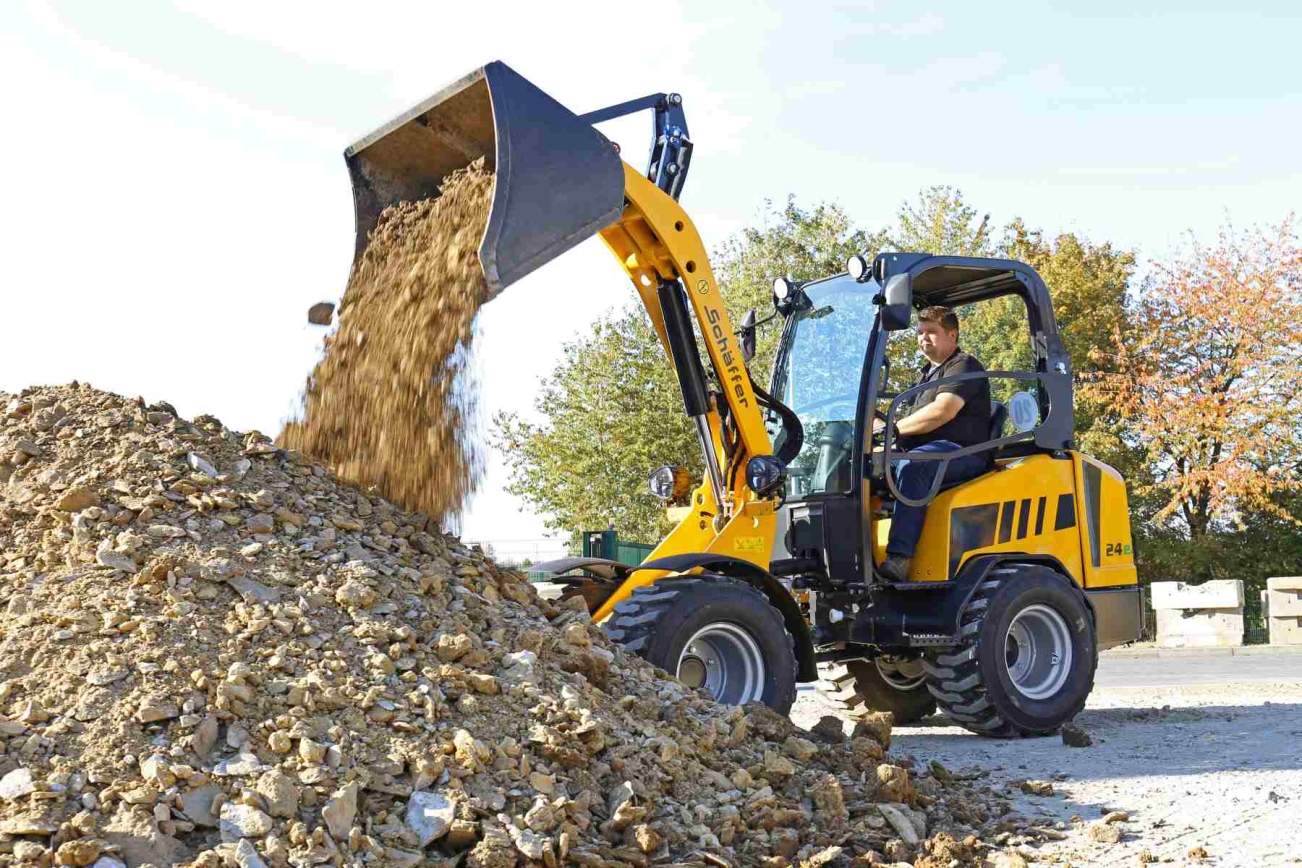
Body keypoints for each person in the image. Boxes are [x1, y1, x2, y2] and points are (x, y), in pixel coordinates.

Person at [877, 306, 991, 583]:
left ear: (952, 335)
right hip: (928, 450)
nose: (923, 338)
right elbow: (911, 423)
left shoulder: (964, 365)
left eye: (931, 332)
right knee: (863, 463)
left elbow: (943, 411)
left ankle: (900, 557)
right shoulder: (927, 373)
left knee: (917, 464)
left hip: (962, 452)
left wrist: (892, 431)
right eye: (920, 332)